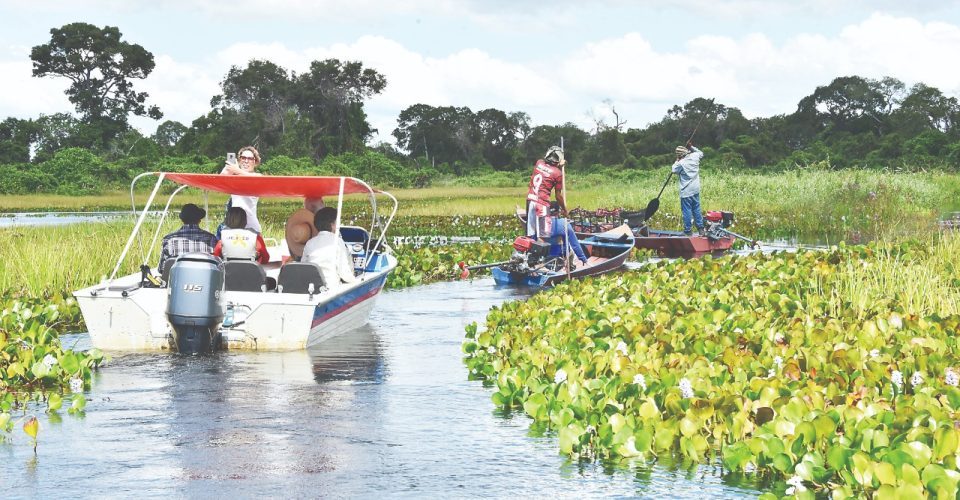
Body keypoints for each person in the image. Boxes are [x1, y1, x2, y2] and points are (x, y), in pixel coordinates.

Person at [525, 146, 588, 266]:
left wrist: (559, 165)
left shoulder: (539, 163)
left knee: (531, 233)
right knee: (543, 236)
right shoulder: (558, 173)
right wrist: (565, 209)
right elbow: (558, 195)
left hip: (530, 200)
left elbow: (548, 169)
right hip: (542, 204)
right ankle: (535, 263)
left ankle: (528, 257)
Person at [302, 207, 359, 289]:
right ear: (332, 225)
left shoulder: (309, 243)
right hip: (331, 288)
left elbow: (304, 266)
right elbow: (344, 272)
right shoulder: (337, 241)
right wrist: (356, 281)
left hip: (312, 287)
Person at [158, 203, 218, 271]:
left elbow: (162, 269)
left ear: (182, 220)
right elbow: (217, 266)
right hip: (205, 280)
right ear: (199, 220)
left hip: (178, 280)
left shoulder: (168, 240)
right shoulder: (211, 238)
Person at [220, 146, 263, 234]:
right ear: (239, 160)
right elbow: (219, 181)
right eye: (243, 158)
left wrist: (237, 170)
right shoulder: (234, 175)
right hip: (234, 227)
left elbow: (256, 179)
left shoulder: (257, 176)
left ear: (255, 162)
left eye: (250, 158)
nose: (246, 161)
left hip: (252, 228)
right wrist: (229, 169)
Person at [672, 140, 705, 236]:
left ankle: (687, 230)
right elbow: (700, 153)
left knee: (687, 211)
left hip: (686, 192)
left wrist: (677, 160)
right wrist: (691, 147)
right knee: (696, 209)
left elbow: (673, 169)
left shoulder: (680, 163)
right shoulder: (695, 156)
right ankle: (701, 229)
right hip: (695, 189)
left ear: (679, 155)